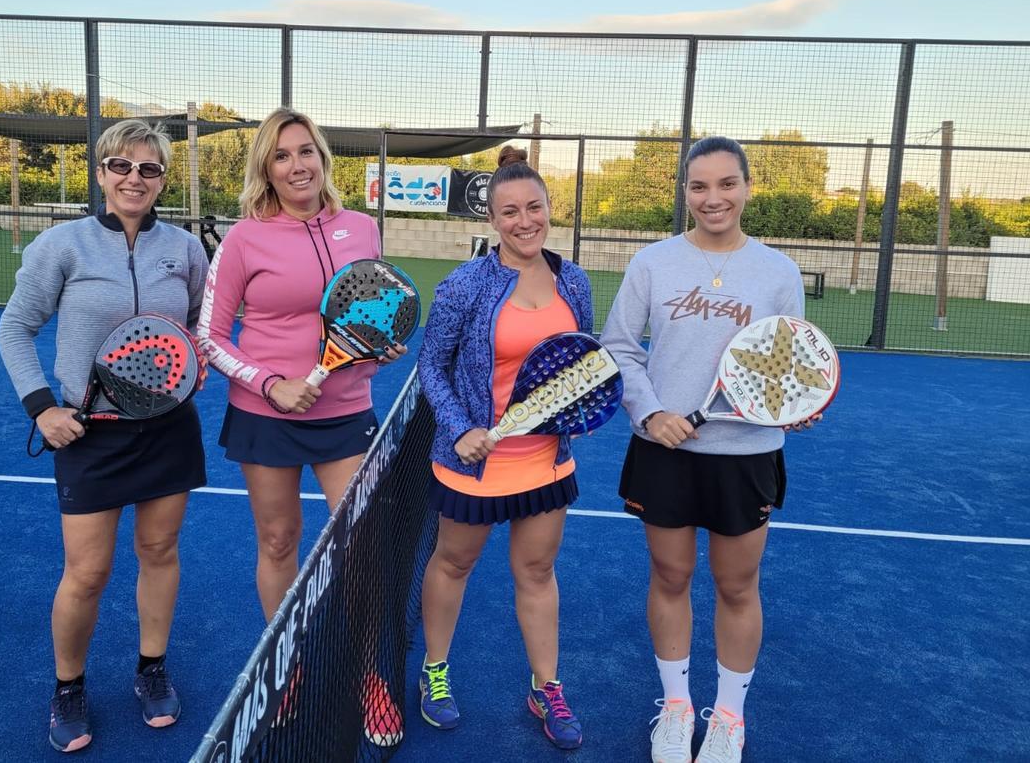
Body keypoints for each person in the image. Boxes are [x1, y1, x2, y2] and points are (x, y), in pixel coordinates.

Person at [601, 136, 817, 763]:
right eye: (699, 186)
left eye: (726, 184)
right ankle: (675, 707)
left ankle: (728, 716)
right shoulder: (653, 263)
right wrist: (650, 411)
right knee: (670, 576)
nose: (713, 197)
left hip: (746, 456)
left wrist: (790, 407)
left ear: (747, 189)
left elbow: (789, 360)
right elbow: (619, 346)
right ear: (685, 193)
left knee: (737, 584)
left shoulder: (778, 271)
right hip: (665, 450)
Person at [0, 119, 209, 753]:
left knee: (160, 551)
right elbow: (15, 329)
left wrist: (187, 366)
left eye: (148, 169)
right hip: (90, 436)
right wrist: (41, 409)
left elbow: (199, 324)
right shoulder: (63, 245)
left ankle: (151, 670)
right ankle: (68, 685)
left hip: (169, 429)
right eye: (121, 166)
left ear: (163, 179)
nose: (133, 179)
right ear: (101, 173)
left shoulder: (184, 249)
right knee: (87, 573)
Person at [196, 107, 407, 747]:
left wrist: (382, 343)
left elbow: (376, 302)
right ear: (266, 167)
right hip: (266, 417)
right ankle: (285, 667)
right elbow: (209, 336)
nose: (297, 166)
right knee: (280, 540)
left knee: (365, 548)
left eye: (306, 152)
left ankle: (371, 674)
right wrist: (269, 384)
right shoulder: (243, 240)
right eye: (283, 155)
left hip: (346, 413)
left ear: (322, 158)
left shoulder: (362, 228)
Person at [416, 149, 592, 750]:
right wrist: (461, 426)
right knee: (453, 565)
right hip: (475, 460)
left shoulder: (574, 279)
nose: (525, 221)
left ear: (549, 210)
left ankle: (547, 687)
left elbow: (581, 362)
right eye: (510, 211)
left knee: (537, 572)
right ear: (493, 219)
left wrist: (576, 407)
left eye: (534, 208)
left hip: (545, 461)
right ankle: (434, 673)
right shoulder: (465, 284)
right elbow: (430, 367)